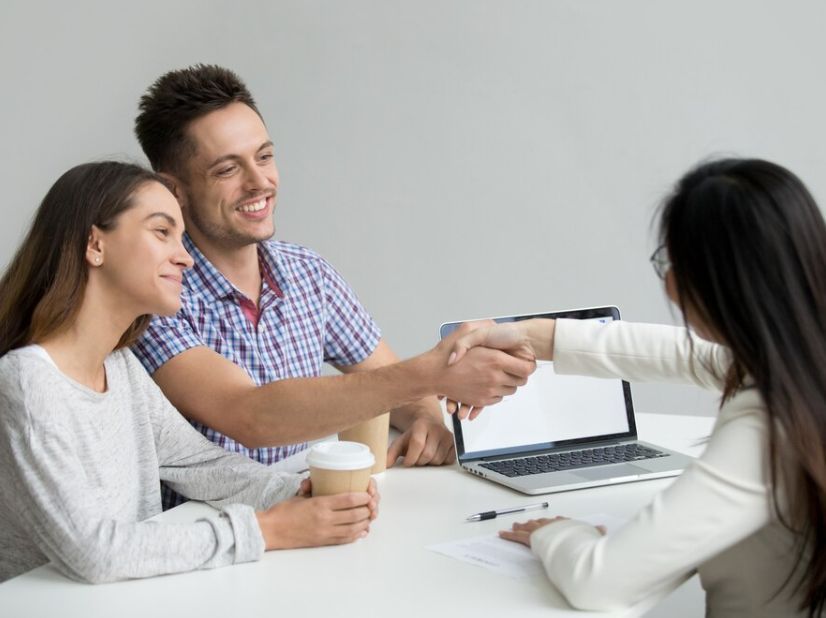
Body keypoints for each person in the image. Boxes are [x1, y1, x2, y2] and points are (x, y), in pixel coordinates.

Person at [131, 64, 535, 508]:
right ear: (174, 190)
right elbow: (250, 414)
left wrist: (425, 418)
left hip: (307, 513)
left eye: (264, 157)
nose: (260, 181)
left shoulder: (308, 273)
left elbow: (388, 381)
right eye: (228, 169)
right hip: (209, 540)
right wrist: (434, 372)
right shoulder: (154, 295)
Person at [445, 159, 826, 617]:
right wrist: (519, 334)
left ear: (711, 283)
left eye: (671, 261)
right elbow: (668, 351)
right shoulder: (803, 362)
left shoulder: (767, 427)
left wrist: (556, 533)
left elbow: (599, 582)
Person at [0, 161, 381, 584]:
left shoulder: (120, 367)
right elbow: (94, 552)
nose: (184, 258)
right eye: (162, 232)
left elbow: (201, 465)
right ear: (95, 244)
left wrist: (298, 493)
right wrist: (268, 530)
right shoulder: (27, 381)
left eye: (181, 238)